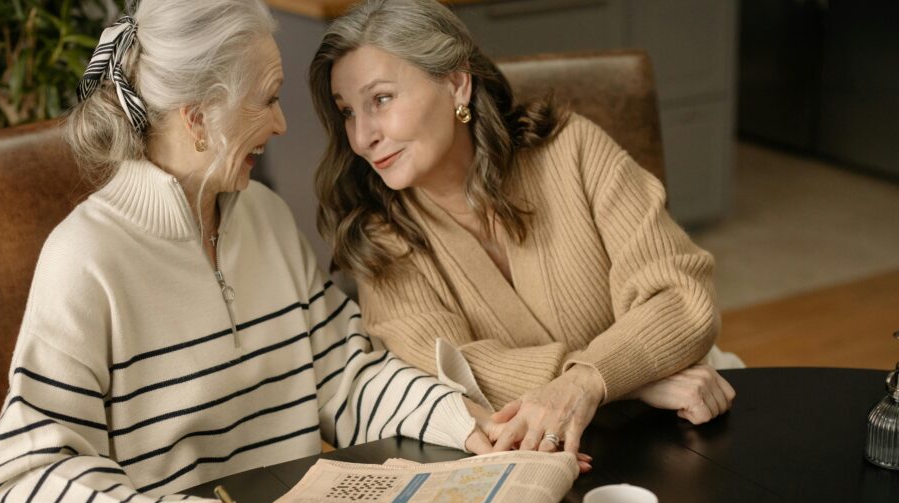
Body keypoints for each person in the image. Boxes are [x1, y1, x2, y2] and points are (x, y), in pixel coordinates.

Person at [0, 0, 523, 503]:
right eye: (266, 99)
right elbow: (24, 469)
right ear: (197, 119)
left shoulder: (263, 217)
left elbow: (345, 376)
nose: (282, 124)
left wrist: (464, 421)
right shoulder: (84, 259)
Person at [308, 0, 737, 457]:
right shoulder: (378, 234)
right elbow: (456, 374)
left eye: (381, 99)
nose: (361, 136)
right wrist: (624, 381)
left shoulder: (573, 150)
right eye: (348, 111)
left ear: (456, 83)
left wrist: (591, 379)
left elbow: (681, 299)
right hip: (551, 452)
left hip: (680, 421)